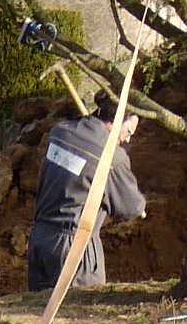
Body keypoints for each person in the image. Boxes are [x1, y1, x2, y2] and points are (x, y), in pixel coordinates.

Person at [27, 107, 148, 289]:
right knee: (79, 306)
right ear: (116, 120)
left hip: (40, 239)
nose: (128, 139)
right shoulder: (111, 158)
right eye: (129, 131)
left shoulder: (59, 133)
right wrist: (140, 202)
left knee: (41, 304)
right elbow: (130, 207)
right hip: (75, 248)